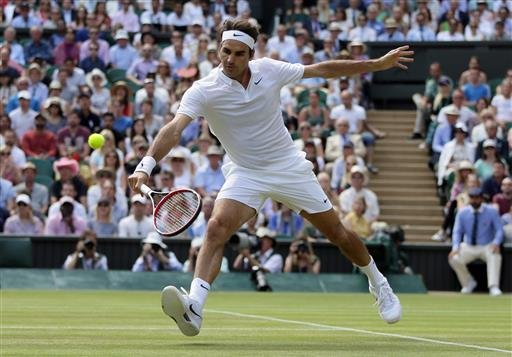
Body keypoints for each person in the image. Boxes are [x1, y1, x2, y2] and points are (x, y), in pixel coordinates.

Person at [128, 19, 412, 335]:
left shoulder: (270, 70)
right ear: (218, 50)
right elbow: (174, 129)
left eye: (238, 53)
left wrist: (375, 63)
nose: (230, 59)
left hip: (288, 167)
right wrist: (145, 165)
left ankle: (378, 282)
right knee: (216, 227)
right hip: (245, 172)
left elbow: (322, 70)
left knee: (338, 234)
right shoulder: (204, 90)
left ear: (250, 54)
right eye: (225, 51)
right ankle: (194, 307)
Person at [449, 187, 503, 296]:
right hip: (468, 246)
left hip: (487, 245)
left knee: (495, 255)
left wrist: (496, 243)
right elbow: (457, 232)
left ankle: (493, 286)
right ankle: (468, 283)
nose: (474, 200)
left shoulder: (492, 211)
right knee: (454, 258)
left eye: (477, 198)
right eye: (472, 198)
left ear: (482, 198)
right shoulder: (462, 213)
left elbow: (499, 230)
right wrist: (455, 247)